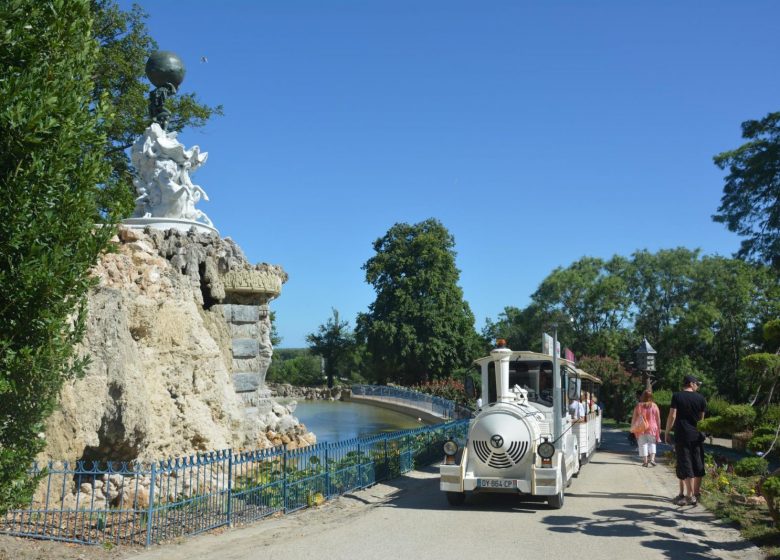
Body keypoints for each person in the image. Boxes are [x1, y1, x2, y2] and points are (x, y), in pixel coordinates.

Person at [664, 375, 707, 506]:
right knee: (698, 462)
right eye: (697, 384)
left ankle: (690, 495)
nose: (697, 386)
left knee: (685, 462)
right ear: (691, 384)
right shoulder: (701, 398)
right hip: (697, 435)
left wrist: (666, 432)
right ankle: (696, 494)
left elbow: (672, 415)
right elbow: (702, 420)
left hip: (682, 434)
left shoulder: (677, 396)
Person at [631, 390, 661, 467]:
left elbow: (634, 418)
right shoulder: (654, 406)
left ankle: (645, 462)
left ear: (642, 396)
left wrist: (632, 427)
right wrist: (659, 428)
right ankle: (652, 459)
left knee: (643, 444)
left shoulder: (638, 406)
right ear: (651, 397)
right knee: (652, 443)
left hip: (641, 428)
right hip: (652, 427)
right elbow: (658, 419)